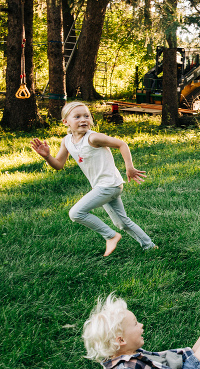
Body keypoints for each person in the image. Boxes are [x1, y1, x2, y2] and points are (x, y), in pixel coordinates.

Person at [30, 102, 156, 256]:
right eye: (77, 117)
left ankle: (111, 236)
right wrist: (47, 156)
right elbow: (58, 165)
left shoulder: (93, 138)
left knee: (76, 213)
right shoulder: (67, 141)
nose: (83, 119)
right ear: (65, 122)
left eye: (86, 116)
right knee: (122, 223)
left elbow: (122, 144)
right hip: (103, 186)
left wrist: (129, 167)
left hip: (109, 185)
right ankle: (149, 246)